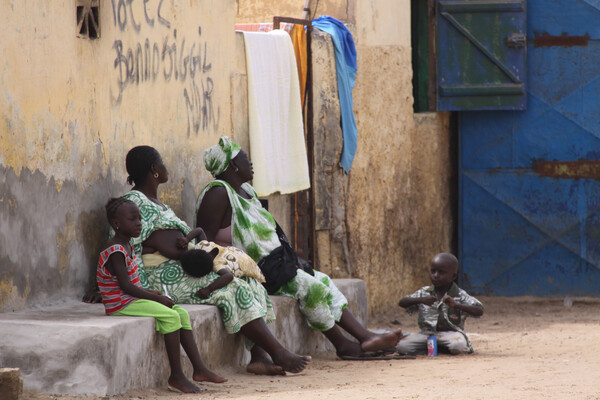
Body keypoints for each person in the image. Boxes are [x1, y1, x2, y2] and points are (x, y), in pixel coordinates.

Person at [196, 136, 403, 359]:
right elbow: (204, 244)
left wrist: (292, 258)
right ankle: (343, 344)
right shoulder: (217, 194)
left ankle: (365, 336)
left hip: (274, 263)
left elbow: (269, 233)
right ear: (233, 165)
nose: (251, 162)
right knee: (309, 288)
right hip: (252, 271)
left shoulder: (247, 191)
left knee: (322, 280)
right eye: (245, 158)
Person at [122, 145, 310, 375]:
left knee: (251, 283)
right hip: (160, 275)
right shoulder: (134, 202)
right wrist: (119, 282)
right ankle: (279, 353)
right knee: (232, 288)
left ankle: (259, 355)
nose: (165, 166)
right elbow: (122, 241)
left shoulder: (158, 203)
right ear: (154, 169)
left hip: (182, 267)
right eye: (162, 162)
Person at [98, 197, 224, 393]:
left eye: (140, 218)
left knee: (181, 312)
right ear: (116, 224)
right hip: (120, 304)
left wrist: (151, 292)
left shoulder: (129, 245)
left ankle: (199, 369)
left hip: (130, 299)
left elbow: (131, 285)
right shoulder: (115, 249)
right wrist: (156, 298)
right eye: (133, 219)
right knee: (171, 315)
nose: (139, 223)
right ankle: (176, 376)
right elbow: (125, 286)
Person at [397, 252, 484, 355]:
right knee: (402, 346)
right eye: (433, 271)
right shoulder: (424, 292)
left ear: (453, 276)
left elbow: (479, 310)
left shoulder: (459, 294)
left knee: (458, 346)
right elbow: (402, 302)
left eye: (441, 273)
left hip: (451, 335)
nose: (435, 276)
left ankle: (439, 348)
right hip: (426, 335)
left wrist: (456, 305)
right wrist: (420, 300)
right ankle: (436, 348)